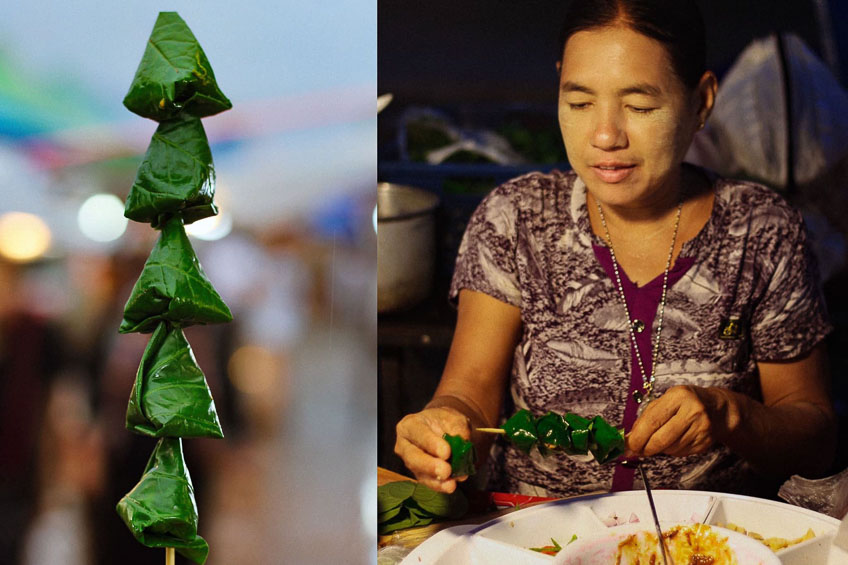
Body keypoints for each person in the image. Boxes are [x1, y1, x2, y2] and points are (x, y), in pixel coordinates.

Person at [394, 0, 837, 499]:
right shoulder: (516, 219)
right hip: (534, 538)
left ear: (701, 102)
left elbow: (816, 438)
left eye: (641, 107)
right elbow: (468, 396)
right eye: (580, 102)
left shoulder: (763, 230)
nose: (605, 136)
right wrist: (442, 429)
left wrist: (731, 415)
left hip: (707, 542)